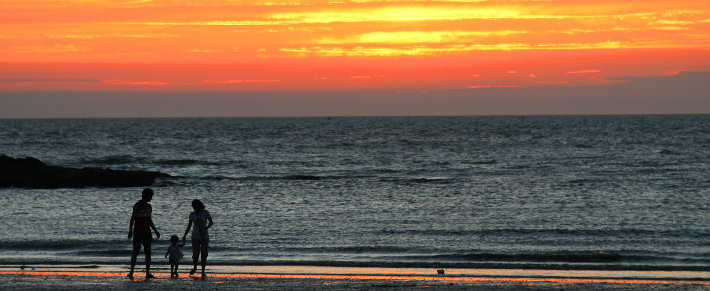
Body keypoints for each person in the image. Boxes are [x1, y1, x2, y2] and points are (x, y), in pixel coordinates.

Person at [127, 188, 160, 278]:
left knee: (148, 253)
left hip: (147, 233)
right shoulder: (137, 206)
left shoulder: (149, 207)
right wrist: (130, 231)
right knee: (135, 252)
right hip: (138, 232)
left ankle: (147, 273)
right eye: (151, 196)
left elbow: (149, 220)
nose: (151, 198)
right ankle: (131, 271)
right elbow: (132, 219)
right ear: (148, 196)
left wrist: (155, 230)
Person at [182, 199, 213, 277]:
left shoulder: (206, 212)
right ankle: (195, 267)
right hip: (195, 236)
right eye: (193, 207)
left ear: (199, 206)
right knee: (195, 254)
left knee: (204, 254)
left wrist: (205, 229)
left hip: (204, 236)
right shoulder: (192, 214)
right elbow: (189, 226)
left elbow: (211, 223)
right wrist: (185, 235)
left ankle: (203, 271)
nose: (194, 208)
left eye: (195, 207)